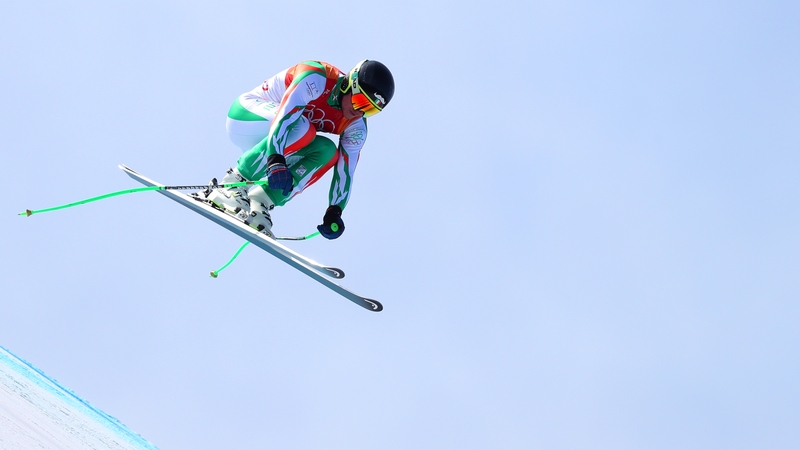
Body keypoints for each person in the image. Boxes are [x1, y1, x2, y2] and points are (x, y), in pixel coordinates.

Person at [202, 60, 395, 240]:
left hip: (278, 142)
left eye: (370, 110)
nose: (359, 112)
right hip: (245, 117)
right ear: (349, 85)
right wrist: (276, 160)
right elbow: (286, 116)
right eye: (360, 102)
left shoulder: (356, 126)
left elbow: (346, 170)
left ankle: (261, 200)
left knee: (328, 152)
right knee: (303, 127)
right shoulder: (317, 78)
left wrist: (334, 210)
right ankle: (232, 185)